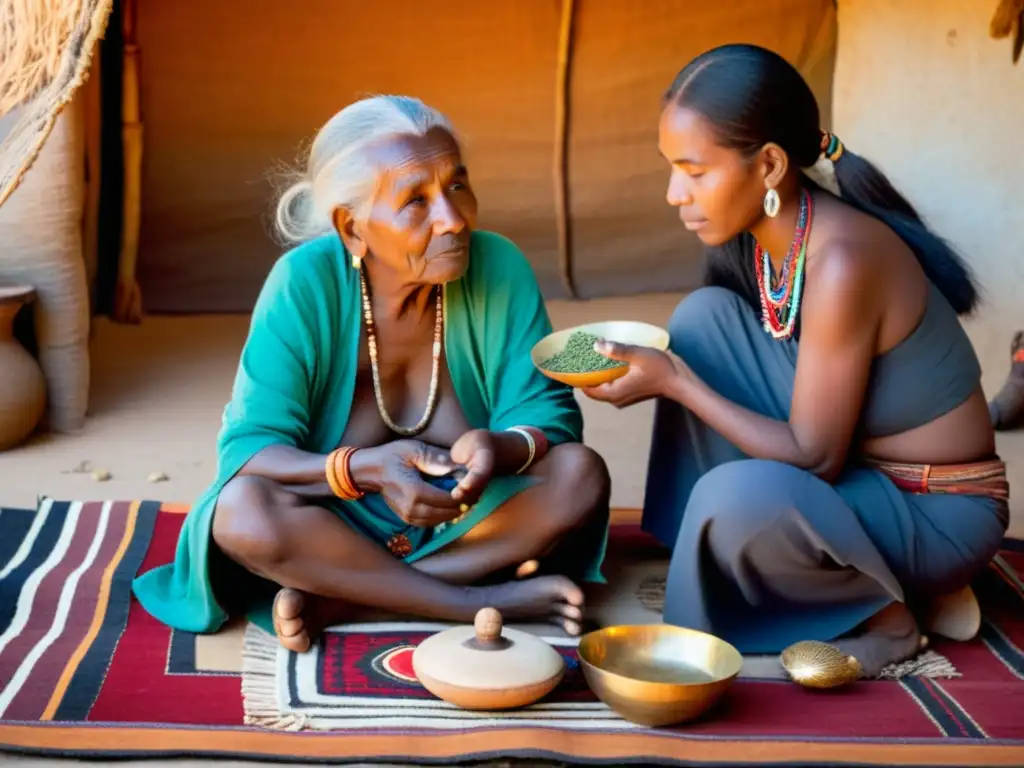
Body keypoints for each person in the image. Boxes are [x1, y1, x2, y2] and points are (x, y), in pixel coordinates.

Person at [581, 44, 1009, 677]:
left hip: (936, 509)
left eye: (695, 171)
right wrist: (680, 373)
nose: (675, 193)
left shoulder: (841, 261)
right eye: (671, 168)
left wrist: (676, 384)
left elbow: (815, 457)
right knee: (704, 322)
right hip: (867, 476)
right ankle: (741, 560)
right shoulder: (779, 237)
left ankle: (888, 619)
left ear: (771, 164)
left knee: (734, 494)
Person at [132, 95, 611, 652]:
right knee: (241, 514)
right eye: (416, 200)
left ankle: (348, 598)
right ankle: (474, 599)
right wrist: (361, 469)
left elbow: (546, 414)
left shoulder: (498, 265)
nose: (453, 219)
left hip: (461, 518)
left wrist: (497, 448)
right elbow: (249, 449)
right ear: (353, 229)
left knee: (579, 474)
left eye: (457, 185)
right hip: (333, 524)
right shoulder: (302, 284)